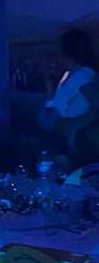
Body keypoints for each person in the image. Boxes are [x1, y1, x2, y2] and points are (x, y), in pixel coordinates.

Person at [42, 28, 99, 162]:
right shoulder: (69, 74)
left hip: (72, 135)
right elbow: (56, 102)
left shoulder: (83, 75)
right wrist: (48, 83)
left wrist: (76, 126)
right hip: (59, 131)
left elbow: (96, 104)